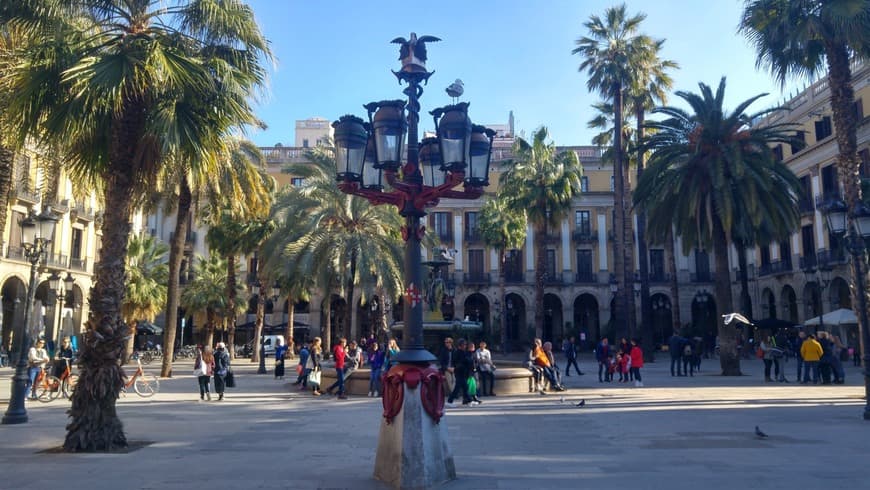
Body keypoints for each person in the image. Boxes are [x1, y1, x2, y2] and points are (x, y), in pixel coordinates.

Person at [447, 339, 476, 407]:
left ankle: (468, 401)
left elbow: (468, 360)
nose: (465, 346)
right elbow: (457, 362)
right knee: (459, 387)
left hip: (463, 372)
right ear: (460, 345)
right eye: (464, 344)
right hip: (459, 372)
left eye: (465, 344)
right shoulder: (457, 353)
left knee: (465, 387)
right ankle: (450, 401)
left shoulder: (464, 352)